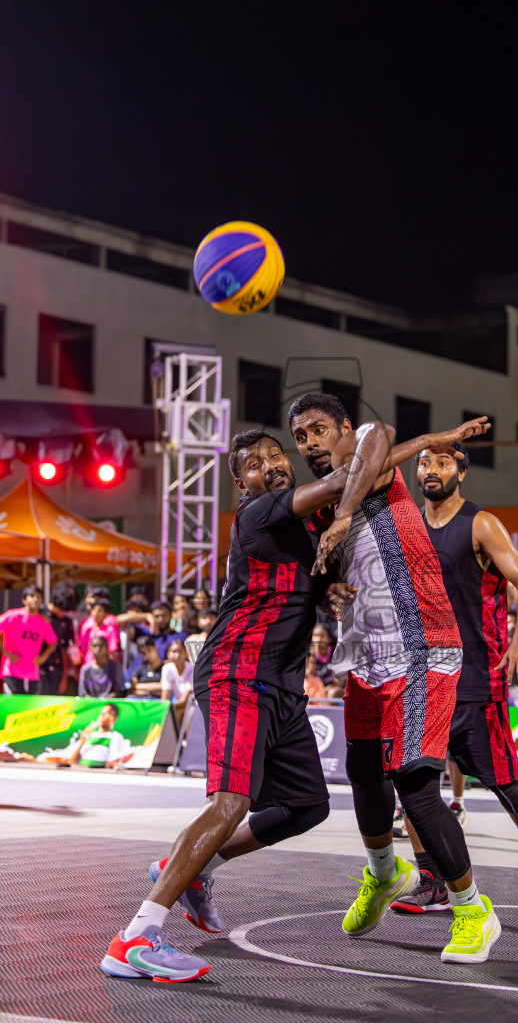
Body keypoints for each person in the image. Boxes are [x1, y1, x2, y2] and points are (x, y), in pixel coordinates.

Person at [100, 420, 403, 982]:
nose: (273, 464)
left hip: (282, 687)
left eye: (275, 455)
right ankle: (134, 939)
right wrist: (414, 442)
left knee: (308, 805)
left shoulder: (306, 536)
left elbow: (314, 576)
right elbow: (357, 469)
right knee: (230, 802)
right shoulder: (259, 513)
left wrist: (330, 591)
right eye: (256, 463)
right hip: (238, 674)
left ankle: (189, 867)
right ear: (243, 484)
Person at [290, 393, 502, 965]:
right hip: (366, 651)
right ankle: (384, 873)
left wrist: (341, 517)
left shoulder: (369, 454)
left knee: (414, 783)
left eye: (317, 429)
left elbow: (381, 437)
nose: (308, 442)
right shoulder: (318, 503)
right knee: (362, 769)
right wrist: (327, 587)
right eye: (300, 435)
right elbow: (326, 569)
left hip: (423, 645)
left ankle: (472, 910)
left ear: (344, 428)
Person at [388, 441, 518, 916]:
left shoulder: (480, 524)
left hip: (477, 675)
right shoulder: (410, 525)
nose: (431, 469)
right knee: (414, 781)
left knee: (502, 779)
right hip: (422, 675)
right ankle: (431, 878)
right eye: (424, 462)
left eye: (443, 462)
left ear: (460, 472)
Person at [0, 585, 58, 694]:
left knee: (31, 708)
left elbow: (53, 642)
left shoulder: (42, 621)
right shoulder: (13, 615)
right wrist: (6, 653)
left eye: (38, 597)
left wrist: (43, 657)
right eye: (32, 596)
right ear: (24, 599)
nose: (35, 599)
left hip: (32, 674)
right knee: (13, 706)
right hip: (12, 671)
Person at [40, 583, 77, 695]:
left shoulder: (66, 621)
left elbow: (64, 649)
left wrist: (64, 676)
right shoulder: (39, 612)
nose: (63, 614)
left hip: (56, 669)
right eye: (62, 610)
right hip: (37, 665)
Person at [160, 638, 194, 724]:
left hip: (194, 707)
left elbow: (184, 701)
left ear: (186, 654)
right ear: (168, 654)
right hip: (177, 707)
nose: (177, 655)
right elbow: (164, 698)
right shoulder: (167, 669)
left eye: (180, 652)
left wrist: (167, 708)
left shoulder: (192, 670)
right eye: (174, 652)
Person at [79, 598, 120, 664]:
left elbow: (112, 650)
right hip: (88, 663)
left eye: (99, 611)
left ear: (105, 614)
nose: (96, 613)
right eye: (94, 610)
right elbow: (83, 650)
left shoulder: (109, 630)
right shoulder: (88, 630)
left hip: (103, 664)